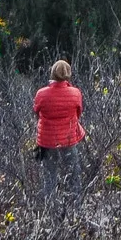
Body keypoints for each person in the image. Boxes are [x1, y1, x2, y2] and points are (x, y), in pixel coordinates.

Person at [33, 59, 85, 195]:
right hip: (69, 140)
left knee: (49, 177)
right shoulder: (75, 93)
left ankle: (49, 208)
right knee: (74, 175)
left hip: (47, 141)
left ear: (52, 74)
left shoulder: (41, 94)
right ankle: (76, 207)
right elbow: (78, 113)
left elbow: (36, 112)